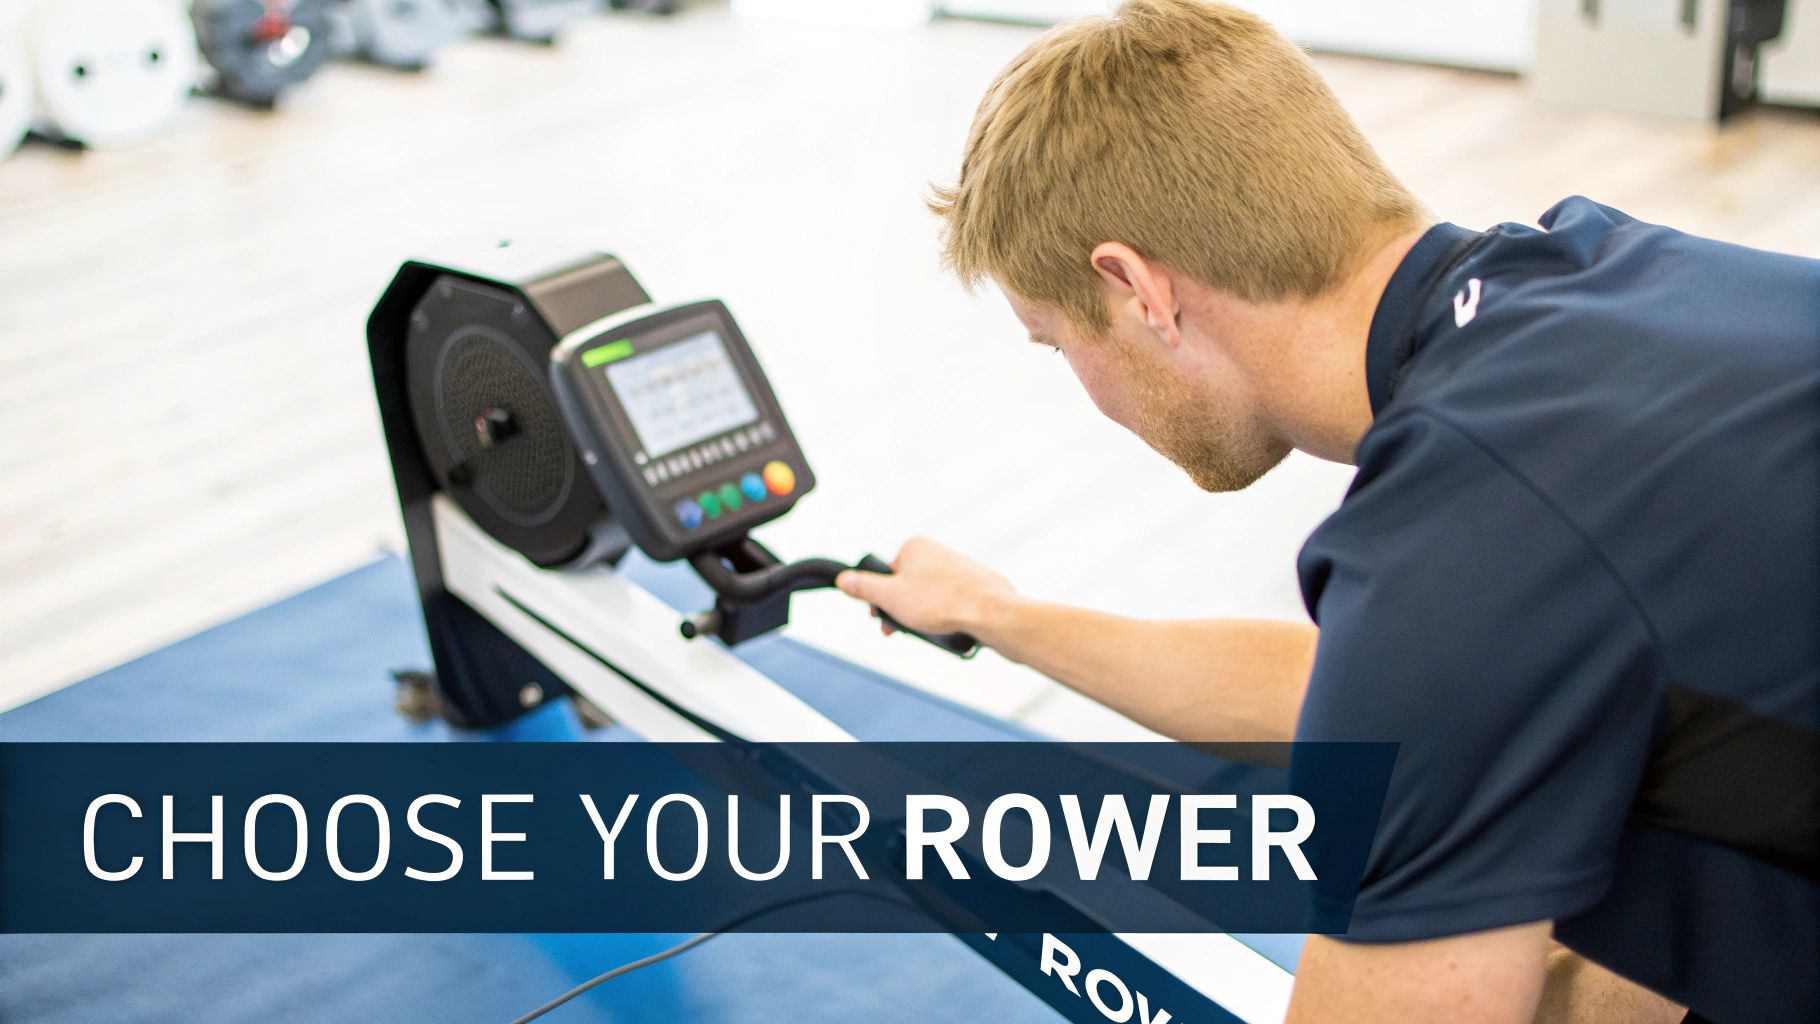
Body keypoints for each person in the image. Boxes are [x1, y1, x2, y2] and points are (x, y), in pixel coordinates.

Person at [832, 2, 1820, 1021]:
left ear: (1135, 289)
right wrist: (1002, 616)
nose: (1079, 384)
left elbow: (1427, 670)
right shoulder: (1608, 269)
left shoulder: (1462, 539)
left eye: (1056, 344)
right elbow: (1401, 691)